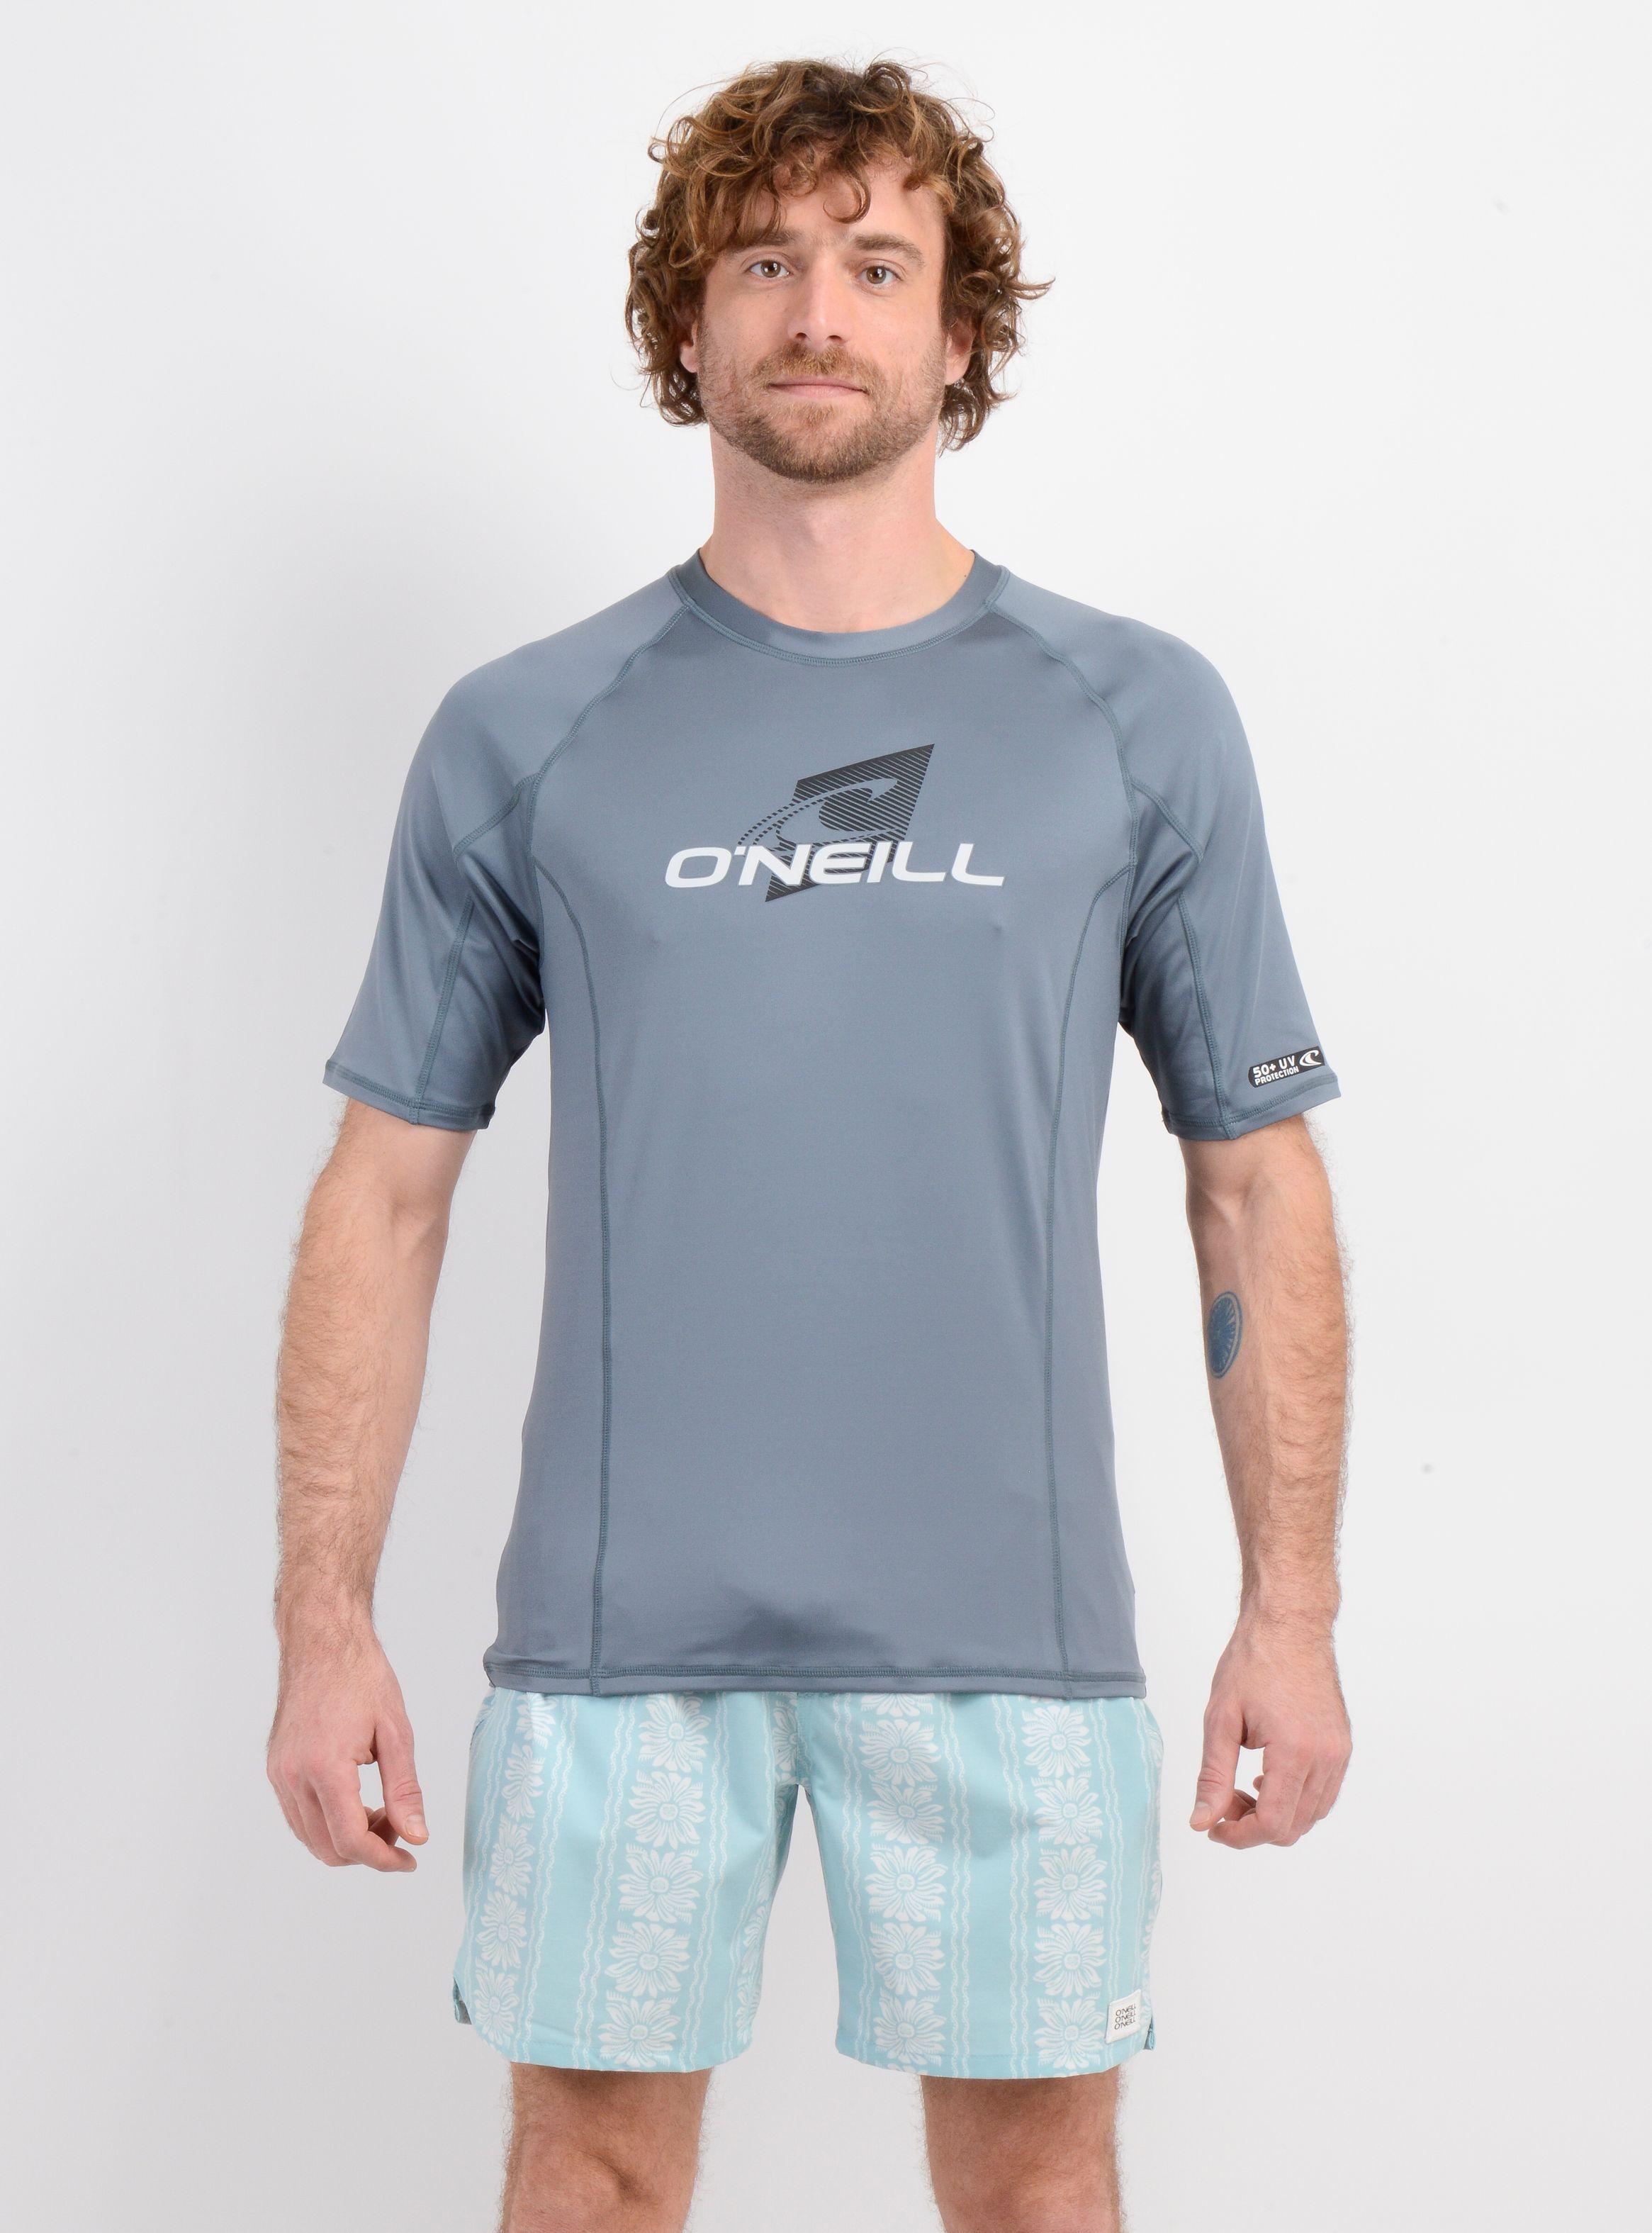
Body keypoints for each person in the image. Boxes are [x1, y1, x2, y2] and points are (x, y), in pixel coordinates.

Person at [268, 55, 1352, 2233]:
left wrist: (1293, 1610)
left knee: (1036, 2188)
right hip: (615, 1645)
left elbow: (1251, 1175)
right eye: (761, 264)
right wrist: (321, 1622)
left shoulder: (1132, 718)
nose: (816, 312)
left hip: (1011, 1634)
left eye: (874, 264)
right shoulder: (529, 730)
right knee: (588, 2175)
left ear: (960, 332)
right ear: (687, 326)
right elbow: (385, 1193)